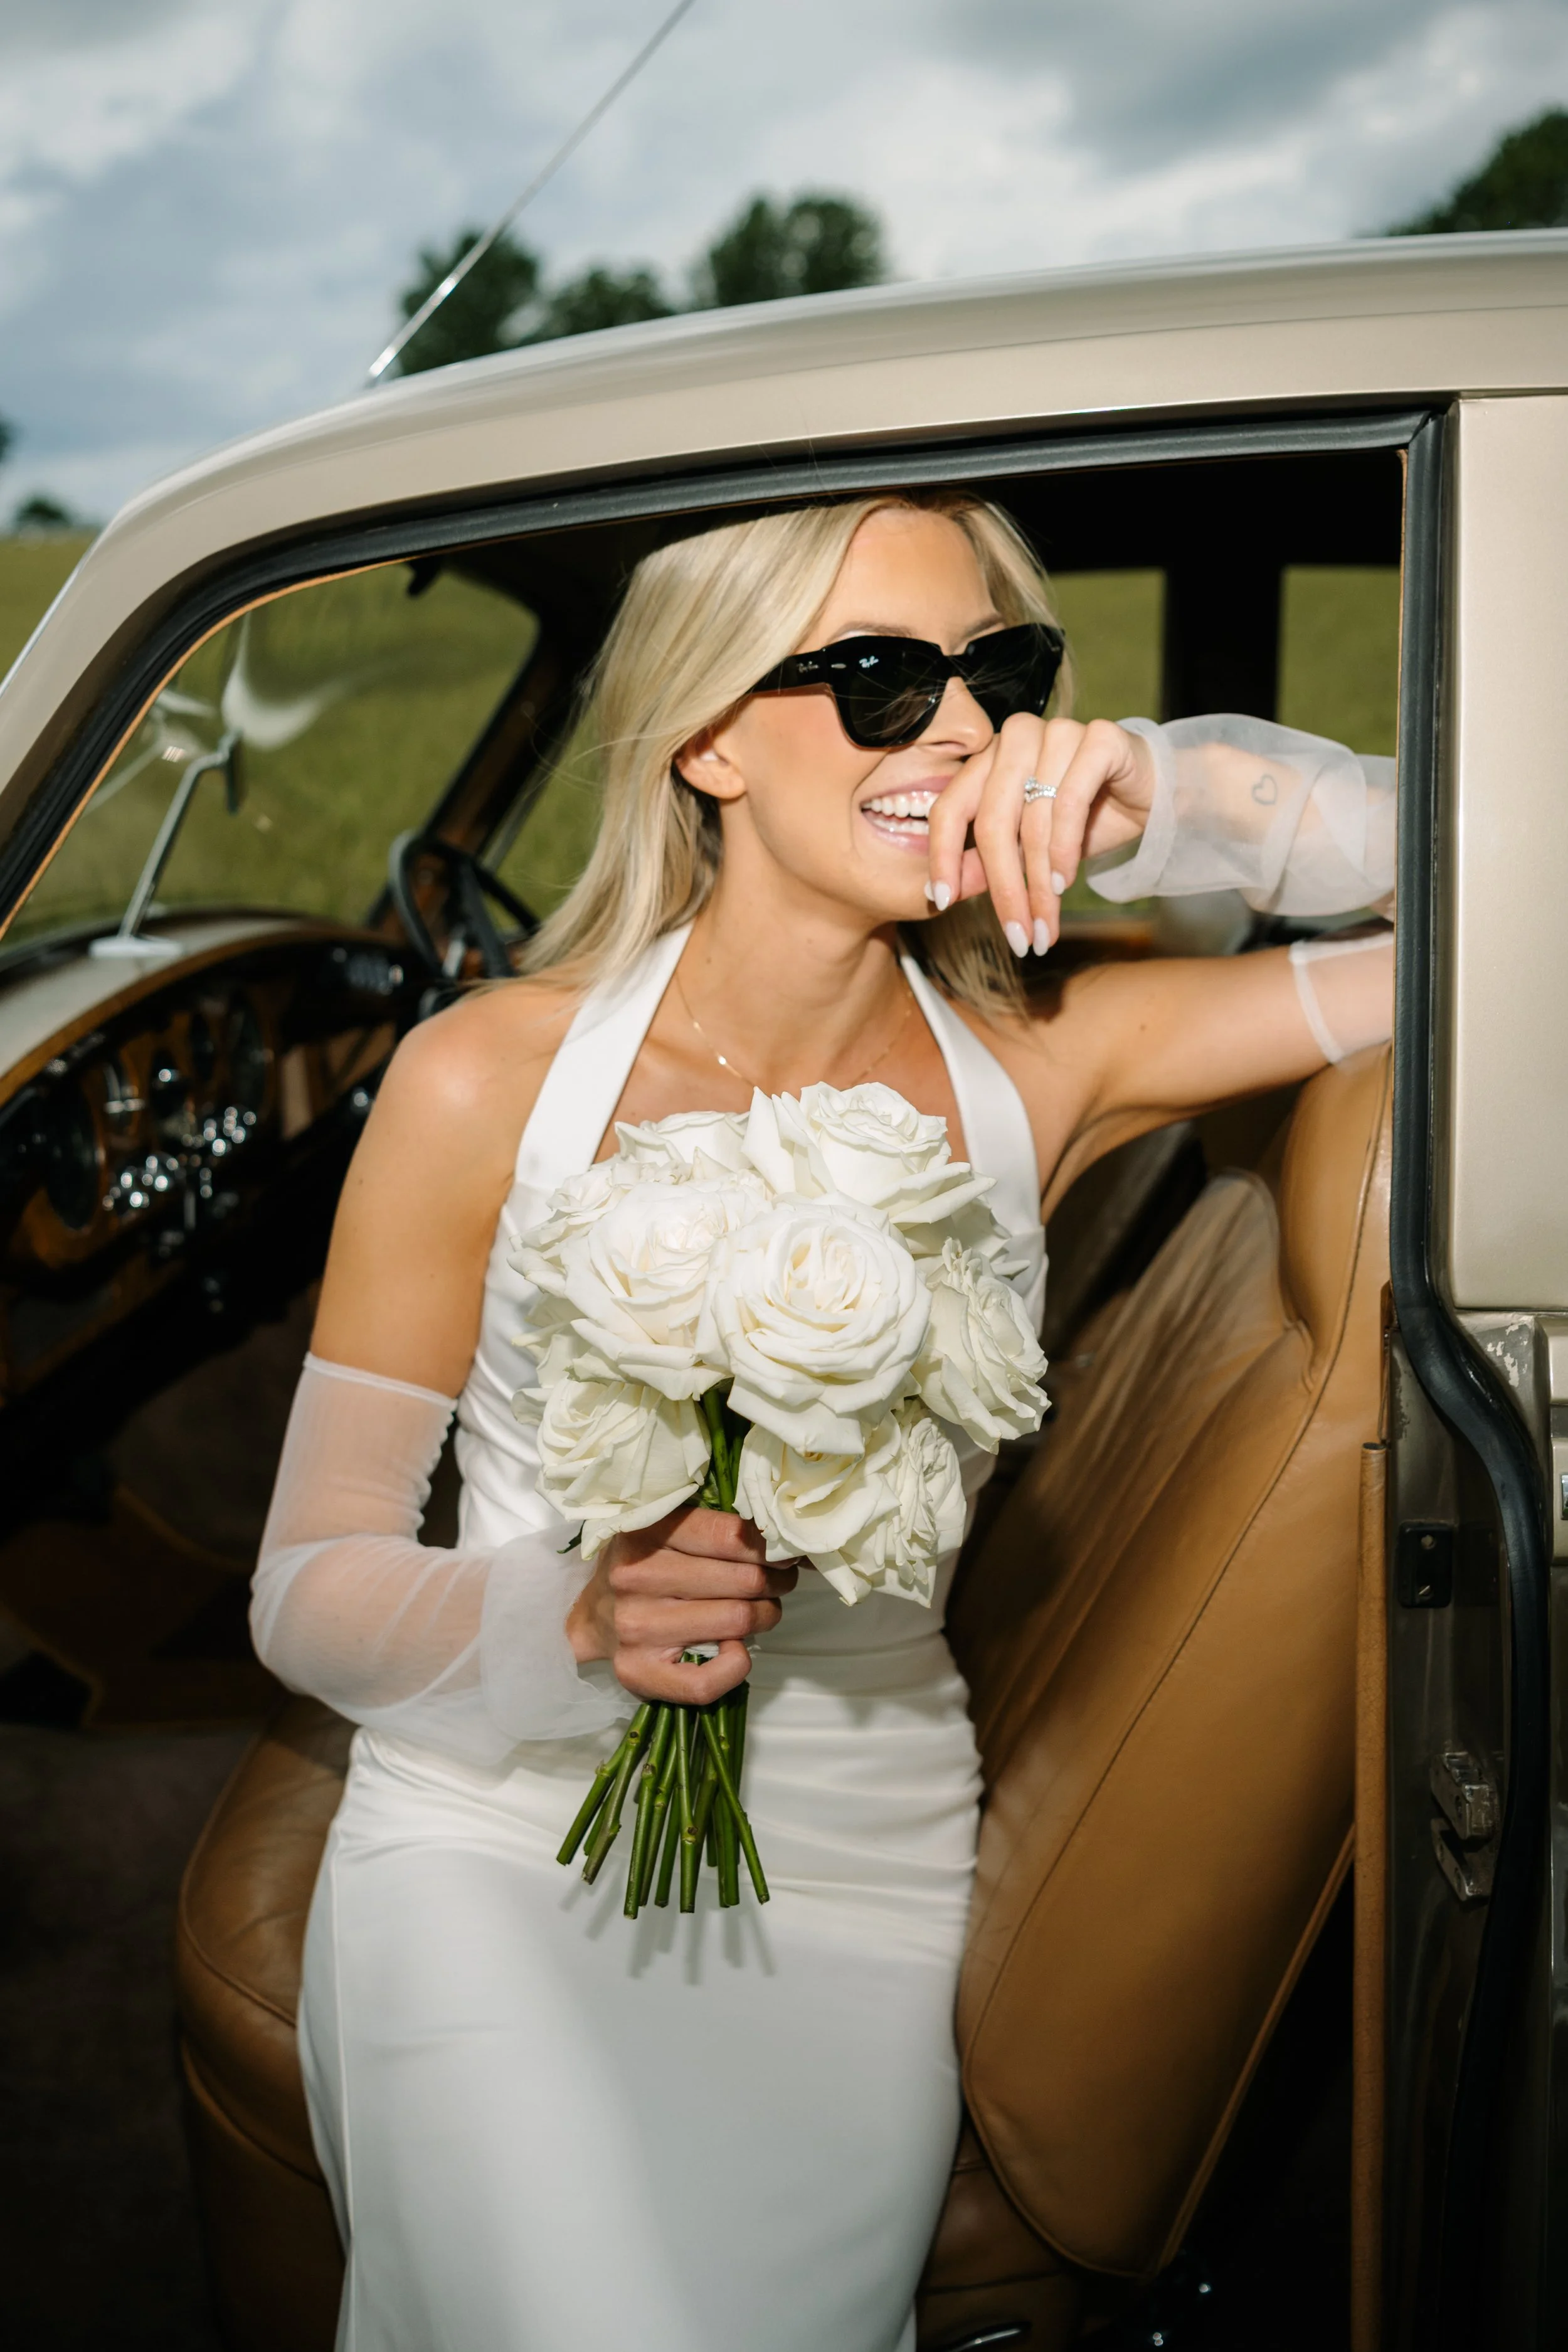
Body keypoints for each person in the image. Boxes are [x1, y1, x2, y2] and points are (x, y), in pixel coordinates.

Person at [250, 490, 1393, 2351]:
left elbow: (1522, 906)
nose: (958, 731)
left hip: (852, 1854)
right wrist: (568, 1613)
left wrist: (1167, 797)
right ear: (706, 737)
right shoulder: (481, 1081)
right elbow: (305, 1586)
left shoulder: (1053, 1057)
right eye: (876, 678)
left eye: (1000, 679)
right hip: (499, 1833)